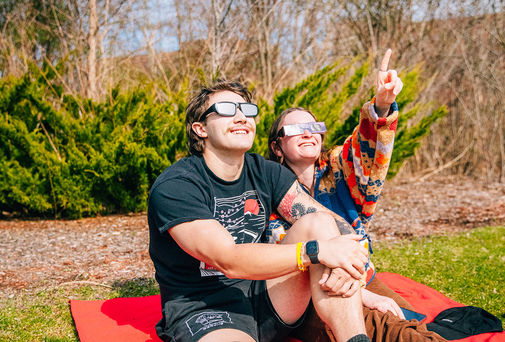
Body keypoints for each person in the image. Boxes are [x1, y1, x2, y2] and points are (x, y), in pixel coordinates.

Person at [147, 80, 375, 342]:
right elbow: (228, 260)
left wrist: (351, 268)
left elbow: (336, 225)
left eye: (247, 109)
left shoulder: (265, 171)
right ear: (200, 129)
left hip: (268, 296)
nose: (242, 117)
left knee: (320, 224)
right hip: (205, 308)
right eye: (226, 109)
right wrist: (317, 251)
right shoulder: (177, 185)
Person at [266, 50, 445, 341]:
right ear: (277, 147)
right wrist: (364, 297)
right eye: (297, 129)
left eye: (314, 127)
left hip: (360, 275)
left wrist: (382, 106)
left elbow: (367, 147)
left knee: (406, 321)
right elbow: (281, 256)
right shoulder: (269, 187)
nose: (308, 133)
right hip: (309, 293)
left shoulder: (339, 166)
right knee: (387, 330)